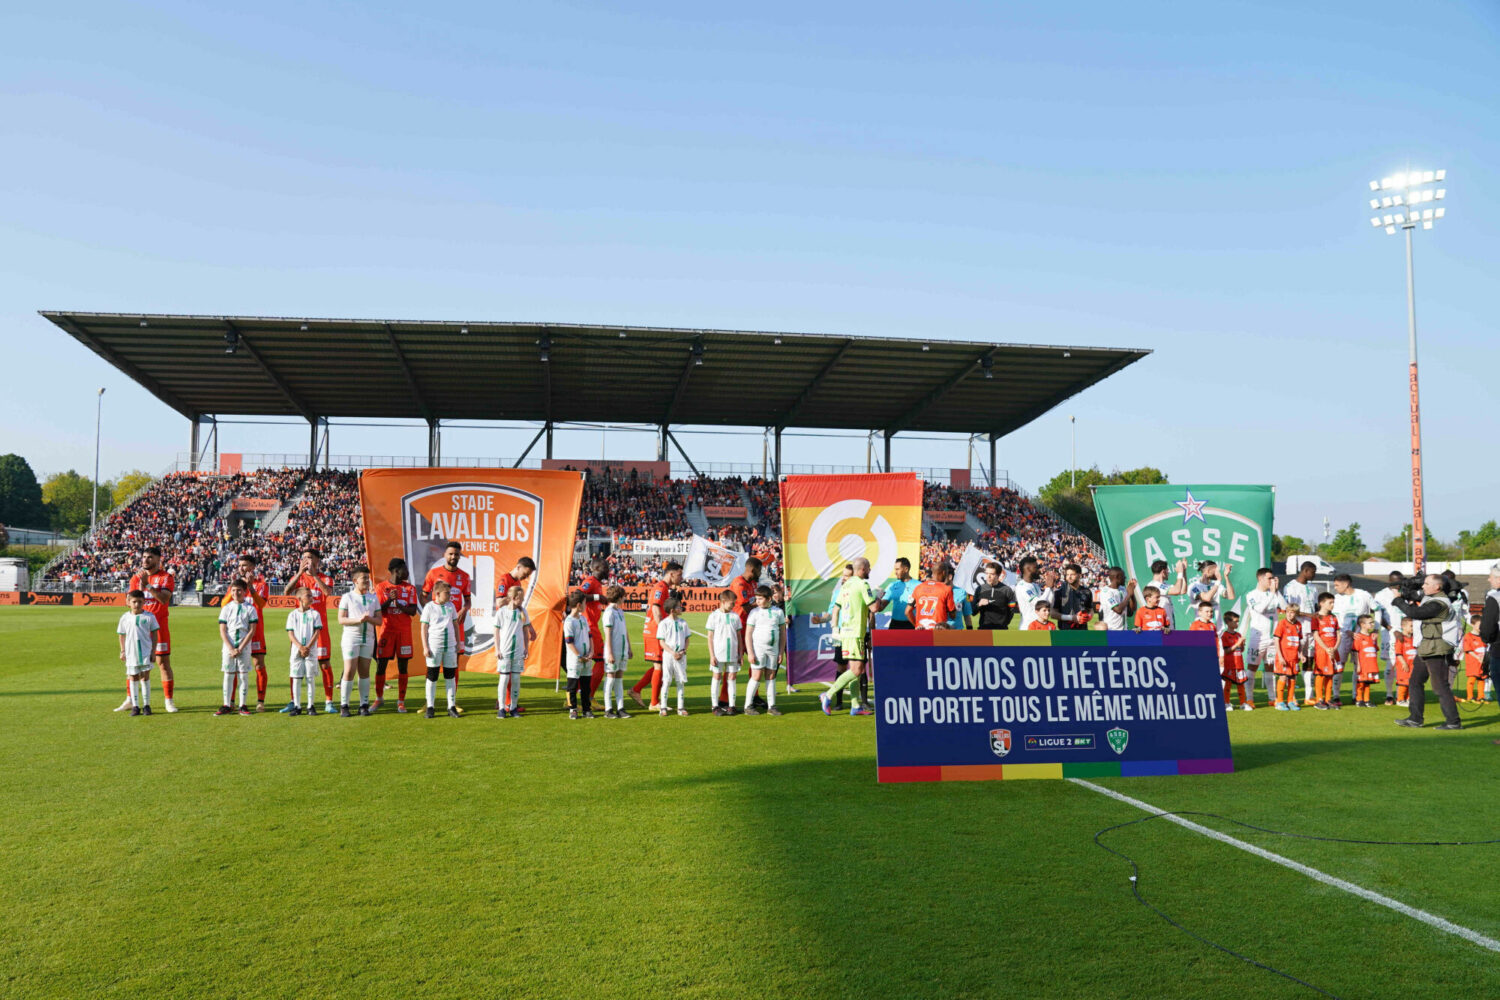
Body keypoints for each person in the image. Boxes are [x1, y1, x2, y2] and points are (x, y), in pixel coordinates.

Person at [1393, 574, 1462, 730]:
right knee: (1415, 682)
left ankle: (1453, 722)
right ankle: (1415, 719)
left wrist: (1398, 600)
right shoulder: (1432, 598)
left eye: (1426, 583)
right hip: (1427, 647)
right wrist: (1405, 591)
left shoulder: (1439, 602)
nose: (1423, 586)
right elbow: (1415, 597)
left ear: (1437, 587)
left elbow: (1416, 613)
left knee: (1440, 686)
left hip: (1437, 648)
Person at [820, 556, 877, 718]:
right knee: (857, 669)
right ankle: (828, 695)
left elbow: (836, 609)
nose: (870, 571)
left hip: (845, 633)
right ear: (863, 569)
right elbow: (874, 607)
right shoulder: (863, 584)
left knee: (855, 670)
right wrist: (879, 595)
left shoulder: (845, 586)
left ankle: (855, 705)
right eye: (869, 568)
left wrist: (834, 628)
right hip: (855, 634)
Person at [125, 546, 178, 713]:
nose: (145, 560)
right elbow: (129, 602)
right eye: (144, 557)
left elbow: (163, 600)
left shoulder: (166, 577)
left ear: (158, 559)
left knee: (163, 663)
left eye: (149, 557)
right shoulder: (136, 578)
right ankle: (130, 700)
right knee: (133, 664)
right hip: (139, 629)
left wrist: (148, 586)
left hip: (159, 628)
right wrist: (140, 587)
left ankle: (168, 701)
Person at [283, 548, 335, 714]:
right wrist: (299, 573)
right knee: (295, 665)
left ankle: (328, 701)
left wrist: (315, 576)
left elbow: (328, 592)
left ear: (317, 561)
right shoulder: (299, 579)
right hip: (299, 631)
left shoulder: (325, 578)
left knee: (324, 664)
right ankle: (294, 701)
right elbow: (286, 591)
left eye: (310, 558)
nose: (306, 560)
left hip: (319, 630)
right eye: (304, 558)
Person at [632, 561, 681, 711]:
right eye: (679, 574)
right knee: (659, 665)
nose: (681, 578)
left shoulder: (665, 588)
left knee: (659, 666)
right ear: (671, 574)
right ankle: (654, 702)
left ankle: (637, 690)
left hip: (655, 631)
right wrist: (663, 632)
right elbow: (656, 610)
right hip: (654, 632)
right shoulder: (660, 587)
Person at [372, 558, 419, 713]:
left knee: (403, 667)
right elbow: (377, 609)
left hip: (403, 633)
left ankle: (401, 701)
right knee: (381, 665)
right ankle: (379, 699)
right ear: (396, 570)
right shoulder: (381, 587)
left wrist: (398, 604)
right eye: (405, 570)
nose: (407, 572)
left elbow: (412, 611)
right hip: (386, 632)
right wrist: (389, 601)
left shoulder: (410, 588)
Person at [337, 566, 382, 717]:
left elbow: (379, 620)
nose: (367, 581)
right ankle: (345, 705)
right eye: (364, 578)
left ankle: (364, 704)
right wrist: (358, 620)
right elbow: (341, 619)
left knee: (364, 672)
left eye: (367, 578)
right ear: (355, 581)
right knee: (349, 670)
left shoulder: (373, 598)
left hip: (368, 638)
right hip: (351, 638)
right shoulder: (347, 597)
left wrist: (369, 619)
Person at [493, 556, 537, 713]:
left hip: (516, 627)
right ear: (518, 567)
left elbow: (520, 609)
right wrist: (512, 600)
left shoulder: (517, 583)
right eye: (525, 573)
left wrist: (530, 627)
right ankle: (504, 703)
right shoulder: (504, 579)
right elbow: (498, 603)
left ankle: (510, 703)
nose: (526, 577)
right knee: (506, 674)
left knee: (514, 673)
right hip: (506, 628)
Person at [1243, 568, 1288, 707]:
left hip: (1273, 637)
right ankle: (1249, 698)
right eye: (1269, 578)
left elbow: (1285, 607)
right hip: (1258, 638)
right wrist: (1272, 593)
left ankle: (1272, 698)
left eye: (1273, 578)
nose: (1272, 581)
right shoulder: (1252, 595)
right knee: (1252, 668)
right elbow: (1261, 609)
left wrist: (1277, 590)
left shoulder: (1273, 593)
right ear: (1260, 579)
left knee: (1270, 667)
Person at [1331, 574, 1376, 708]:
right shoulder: (1336, 599)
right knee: (1339, 666)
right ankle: (1336, 696)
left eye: (1337, 585)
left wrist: (1376, 630)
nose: (1335, 588)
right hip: (1343, 637)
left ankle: (1357, 696)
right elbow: (1334, 618)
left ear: (1346, 584)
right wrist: (1345, 631)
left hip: (1361, 639)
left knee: (1359, 667)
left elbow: (1378, 610)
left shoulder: (1364, 595)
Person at [216, 579, 258, 717]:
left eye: (239, 590)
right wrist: (230, 648)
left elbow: (252, 631)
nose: (236, 593)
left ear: (245, 591)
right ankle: (227, 704)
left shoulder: (251, 608)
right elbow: (222, 630)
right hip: (228, 647)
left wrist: (240, 647)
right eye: (233, 590)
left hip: (244, 647)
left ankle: (242, 705)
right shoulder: (226, 608)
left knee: (243, 676)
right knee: (228, 675)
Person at [420, 580, 462, 719]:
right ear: (437, 593)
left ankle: (451, 706)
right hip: (434, 646)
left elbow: (455, 625)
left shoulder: (451, 606)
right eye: (447, 593)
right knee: (432, 677)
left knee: (450, 676)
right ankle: (430, 707)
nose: (450, 596)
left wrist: (457, 642)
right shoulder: (429, 607)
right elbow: (424, 628)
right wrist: (425, 646)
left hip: (450, 646)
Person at [423, 542, 474, 654]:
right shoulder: (433, 573)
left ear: (459, 556)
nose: (453, 557)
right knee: (435, 656)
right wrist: (430, 612)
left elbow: (468, 601)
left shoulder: (465, 576)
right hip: (438, 622)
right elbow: (423, 596)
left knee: (456, 655)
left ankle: (453, 672)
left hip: (455, 622)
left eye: (456, 554)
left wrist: (464, 610)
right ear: (444, 554)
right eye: (450, 554)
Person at [725, 557, 762, 711]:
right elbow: (747, 607)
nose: (761, 573)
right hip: (738, 628)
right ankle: (723, 699)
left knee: (756, 660)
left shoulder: (753, 583)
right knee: (732, 664)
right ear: (753, 570)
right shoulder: (739, 583)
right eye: (760, 570)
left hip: (751, 627)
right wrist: (763, 603)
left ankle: (754, 695)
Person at [743, 585, 786, 716]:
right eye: (756, 598)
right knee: (756, 675)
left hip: (773, 650)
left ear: (768, 598)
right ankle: (748, 705)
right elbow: (748, 634)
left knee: (771, 675)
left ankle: (772, 706)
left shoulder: (778, 612)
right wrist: (750, 652)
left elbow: (782, 633)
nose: (757, 601)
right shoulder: (754, 612)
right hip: (758, 650)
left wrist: (780, 651)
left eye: (760, 599)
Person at [116, 589, 159, 717]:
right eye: (134, 602)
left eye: (140, 602)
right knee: (133, 677)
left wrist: (153, 651)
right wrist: (122, 651)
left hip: (145, 652)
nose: (137, 604)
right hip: (131, 652)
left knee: (145, 677)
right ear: (129, 602)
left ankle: (147, 705)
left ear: (144, 602)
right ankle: (135, 706)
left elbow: (155, 634)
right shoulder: (125, 617)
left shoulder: (149, 617)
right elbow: (121, 635)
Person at [1281, 560, 1318, 706]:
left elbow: (1315, 607)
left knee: (1309, 661)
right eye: (1313, 572)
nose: (1314, 575)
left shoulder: (1313, 588)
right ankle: (1292, 696)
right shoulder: (1290, 587)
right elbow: (1288, 609)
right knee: (1294, 662)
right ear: (1306, 571)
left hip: (1311, 630)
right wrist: (1309, 615)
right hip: (1297, 630)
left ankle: (1309, 695)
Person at [237, 554, 271, 712]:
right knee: (236, 667)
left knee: (259, 665)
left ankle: (260, 701)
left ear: (252, 567)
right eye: (240, 565)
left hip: (255, 632)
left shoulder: (261, 584)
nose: (241, 568)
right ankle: (231, 701)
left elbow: (261, 604)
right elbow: (224, 605)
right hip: (238, 632)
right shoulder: (236, 586)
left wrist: (250, 587)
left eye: (244, 565)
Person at [574, 557, 609, 706]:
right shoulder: (591, 581)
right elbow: (577, 594)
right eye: (606, 568)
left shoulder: (597, 583)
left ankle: (573, 697)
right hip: (589, 627)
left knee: (586, 664)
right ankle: (589, 697)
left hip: (590, 625)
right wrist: (597, 597)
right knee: (601, 662)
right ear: (598, 569)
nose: (608, 570)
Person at [285, 587, 323, 715]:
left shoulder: (315, 614)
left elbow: (317, 632)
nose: (312, 598)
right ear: (300, 599)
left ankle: (310, 706)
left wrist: (307, 647)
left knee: (310, 678)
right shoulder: (292, 614)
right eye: (308, 596)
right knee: (296, 678)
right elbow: (290, 634)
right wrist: (300, 647)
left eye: (311, 595)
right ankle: (297, 706)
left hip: (311, 650)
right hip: (296, 650)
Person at [705, 589, 743, 716]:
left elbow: (739, 636)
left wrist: (740, 653)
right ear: (723, 601)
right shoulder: (713, 616)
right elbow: (710, 637)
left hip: (732, 653)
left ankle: (732, 705)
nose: (734, 605)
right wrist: (712, 655)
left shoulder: (735, 616)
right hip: (718, 653)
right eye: (732, 603)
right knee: (717, 677)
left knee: (732, 677)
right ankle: (715, 706)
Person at [1372, 570, 1407, 706]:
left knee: (1405, 663)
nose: (1398, 584)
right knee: (1391, 664)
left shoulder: (1406, 592)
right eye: (1395, 582)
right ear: (1390, 581)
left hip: (1406, 632)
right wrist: (1392, 630)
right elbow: (1378, 616)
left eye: (1400, 581)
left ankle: (1402, 694)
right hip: (1389, 633)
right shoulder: (1381, 595)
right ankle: (1389, 694)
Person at [655, 598, 692, 716]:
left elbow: (687, 639)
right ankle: (663, 707)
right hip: (668, 657)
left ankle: (680, 707)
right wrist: (672, 652)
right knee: (666, 681)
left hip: (681, 656)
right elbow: (662, 642)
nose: (681, 608)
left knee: (680, 681)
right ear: (672, 610)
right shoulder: (663, 624)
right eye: (678, 607)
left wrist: (683, 651)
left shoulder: (683, 623)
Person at [599, 584, 630, 719]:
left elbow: (625, 630)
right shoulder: (609, 612)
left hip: (622, 650)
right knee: (610, 679)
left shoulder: (620, 611)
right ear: (619, 597)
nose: (624, 599)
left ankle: (620, 707)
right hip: (613, 651)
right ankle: (608, 709)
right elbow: (608, 634)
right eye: (623, 597)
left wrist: (629, 647)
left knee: (619, 680)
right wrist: (610, 652)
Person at [562, 591, 595, 719]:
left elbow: (589, 635)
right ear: (579, 605)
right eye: (585, 603)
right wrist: (579, 656)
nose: (586, 606)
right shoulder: (569, 621)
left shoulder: (583, 618)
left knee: (586, 686)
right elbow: (569, 642)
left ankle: (586, 709)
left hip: (587, 658)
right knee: (573, 685)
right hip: (575, 660)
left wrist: (591, 651)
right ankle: (573, 709)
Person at [1309, 591, 1340, 711]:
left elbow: (1338, 634)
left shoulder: (1333, 617)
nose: (1332, 605)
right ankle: (1319, 700)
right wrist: (1327, 648)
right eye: (1330, 602)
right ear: (1321, 603)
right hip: (1322, 651)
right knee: (1321, 674)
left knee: (1330, 674)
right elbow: (1316, 635)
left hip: (1333, 650)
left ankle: (1328, 699)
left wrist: (1335, 648)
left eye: (1333, 602)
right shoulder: (1316, 617)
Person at [1480, 564, 1500, 742]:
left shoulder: (1495, 597)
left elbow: (1487, 628)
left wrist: (1487, 639)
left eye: (1491, 576)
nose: (1489, 579)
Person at [1272, 603, 1303, 711]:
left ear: (1296, 613)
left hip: (1294, 658)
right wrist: (1280, 656)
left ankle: (1290, 701)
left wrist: (1301, 654)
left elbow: (1299, 641)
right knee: (1283, 678)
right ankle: (1279, 702)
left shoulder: (1298, 625)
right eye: (1289, 612)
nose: (1290, 614)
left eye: (1293, 612)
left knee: (1293, 679)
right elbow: (1276, 640)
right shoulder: (1282, 623)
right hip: (1284, 657)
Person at [909, 563, 958, 630]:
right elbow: (953, 616)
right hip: (938, 630)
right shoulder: (946, 589)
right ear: (944, 573)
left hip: (921, 629)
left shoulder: (918, 587)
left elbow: (907, 611)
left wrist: (916, 624)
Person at [1185, 560, 1235, 626]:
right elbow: (1206, 598)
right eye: (1216, 570)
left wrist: (1226, 577)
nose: (1218, 573)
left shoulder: (1216, 584)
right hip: (1202, 628)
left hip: (1218, 629)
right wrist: (1218, 580)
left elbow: (1231, 596)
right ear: (1208, 571)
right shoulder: (1194, 586)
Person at [972, 562, 1017, 631]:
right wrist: (979, 604)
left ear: (998, 575)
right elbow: (973, 612)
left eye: (992, 574)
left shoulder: (1007, 590)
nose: (988, 577)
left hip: (1001, 630)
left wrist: (1004, 624)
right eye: (986, 573)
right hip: (983, 629)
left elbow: (1012, 609)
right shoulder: (979, 589)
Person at [1220, 611, 1250, 710]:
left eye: (1238, 622)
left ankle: (1243, 703)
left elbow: (1241, 650)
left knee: (1241, 684)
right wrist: (1237, 644)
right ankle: (1226, 703)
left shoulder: (1238, 634)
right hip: (1230, 664)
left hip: (1239, 664)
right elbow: (1227, 650)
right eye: (1235, 622)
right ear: (1228, 622)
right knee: (1228, 685)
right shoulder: (1225, 635)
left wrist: (1242, 644)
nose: (1237, 624)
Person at [1351, 614, 1382, 707]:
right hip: (1363, 664)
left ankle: (1367, 700)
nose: (1372, 624)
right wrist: (1358, 664)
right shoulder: (1358, 637)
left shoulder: (1373, 636)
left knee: (1368, 682)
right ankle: (1359, 699)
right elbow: (1355, 651)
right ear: (1362, 624)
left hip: (1371, 664)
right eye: (1370, 622)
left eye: (1373, 622)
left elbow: (1375, 649)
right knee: (1361, 682)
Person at [1014, 557, 1051, 629]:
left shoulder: (1035, 585)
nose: (1038, 570)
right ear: (1028, 569)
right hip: (1027, 627)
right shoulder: (1022, 586)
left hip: (1039, 626)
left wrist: (1051, 588)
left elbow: (1047, 603)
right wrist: (1048, 588)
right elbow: (1039, 604)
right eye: (1036, 567)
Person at [881, 556, 917, 629]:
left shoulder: (918, 585)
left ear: (906, 569)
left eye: (897, 569)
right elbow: (880, 607)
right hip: (895, 624)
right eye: (895, 569)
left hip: (911, 624)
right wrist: (878, 597)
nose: (895, 572)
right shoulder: (893, 585)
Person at [1053, 563, 1091, 630]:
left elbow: (1090, 610)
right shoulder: (1059, 592)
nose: (1069, 577)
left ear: (1079, 575)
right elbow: (1053, 614)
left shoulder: (1087, 591)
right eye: (1067, 575)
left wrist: (1088, 616)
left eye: (1072, 574)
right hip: (1065, 632)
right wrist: (1071, 618)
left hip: (1083, 631)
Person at [1095, 567, 1130, 632]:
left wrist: (1132, 594)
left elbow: (1130, 612)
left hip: (1125, 630)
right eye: (1123, 576)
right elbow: (1118, 610)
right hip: (1112, 630)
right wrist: (1129, 595)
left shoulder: (1123, 589)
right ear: (1117, 577)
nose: (1125, 578)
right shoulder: (1106, 592)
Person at [1462, 615, 1487, 704]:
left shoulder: (1484, 637)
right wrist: (1477, 657)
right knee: (1472, 680)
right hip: (1473, 663)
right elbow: (1468, 650)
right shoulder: (1468, 636)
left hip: (1482, 663)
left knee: (1481, 680)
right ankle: (1470, 697)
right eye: (1479, 625)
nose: (1481, 627)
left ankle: (1481, 697)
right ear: (1472, 625)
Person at [1392, 619, 1415, 705]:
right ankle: (1400, 699)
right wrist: (1404, 663)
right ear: (1403, 627)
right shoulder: (1401, 639)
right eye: (1411, 626)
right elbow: (1398, 653)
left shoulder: (1414, 638)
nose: (1413, 628)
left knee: (1412, 682)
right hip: (1404, 665)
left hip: (1413, 665)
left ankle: (1409, 698)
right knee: (1403, 682)